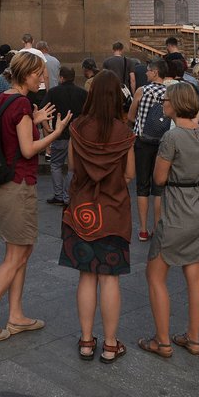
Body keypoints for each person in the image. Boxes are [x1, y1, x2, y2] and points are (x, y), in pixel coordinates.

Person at [0, 50, 72, 342]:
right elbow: (28, 150)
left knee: (20, 252)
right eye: (39, 72)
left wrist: (34, 118)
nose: (43, 77)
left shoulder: (5, 98)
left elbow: (12, 131)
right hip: (17, 185)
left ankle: (16, 315)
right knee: (16, 255)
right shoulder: (22, 103)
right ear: (26, 74)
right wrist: (56, 132)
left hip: (7, 184)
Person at [139, 82, 199, 359]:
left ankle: (163, 341)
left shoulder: (172, 138)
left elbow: (159, 179)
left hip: (177, 208)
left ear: (176, 104)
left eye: (166, 100)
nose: (163, 103)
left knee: (155, 275)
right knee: (195, 275)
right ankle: (193, 339)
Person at [60, 70, 136, 363]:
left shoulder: (77, 127)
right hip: (113, 211)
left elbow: (72, 166)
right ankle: (110, 344)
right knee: (110, 279)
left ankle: (86, 340)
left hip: (82, 211)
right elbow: (129, 174)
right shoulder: (124, 132)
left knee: (86, 277)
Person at [127, 59, 169, 242]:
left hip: (142, 142)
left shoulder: (141, 90)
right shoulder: (171, 92)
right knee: (158, 187)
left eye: (148, 71)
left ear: (155, 72)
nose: (146, 73)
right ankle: (157, 227)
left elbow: (130, 115)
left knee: (142, 185)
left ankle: (143, 229)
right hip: (163, 143)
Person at [43, 66, 87, 206]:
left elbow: (43, 110)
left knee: (56, 164)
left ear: (61, 77)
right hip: (77, 135)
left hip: (60, 133)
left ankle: (59, 195)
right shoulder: (82, 93)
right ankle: (68, 195)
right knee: (72, 168)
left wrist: (47, 127)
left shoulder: (54, 92)